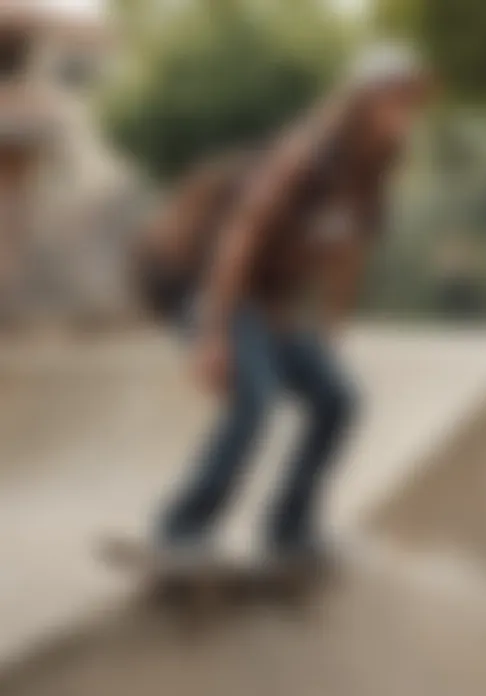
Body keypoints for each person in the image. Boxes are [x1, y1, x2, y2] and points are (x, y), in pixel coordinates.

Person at [143, 44, 433, 563]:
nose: (404, 114)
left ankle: (288, 528)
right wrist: (213, 336)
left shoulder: (374, 176)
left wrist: (330, 329)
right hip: (218, 294)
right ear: (362, 103)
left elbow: (349, 252)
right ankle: (181, 526)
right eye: (393, 100)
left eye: (410, 102)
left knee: (339, 400)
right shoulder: (306, 154)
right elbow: (241, 234)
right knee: (256, 401)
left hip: (274, 308)